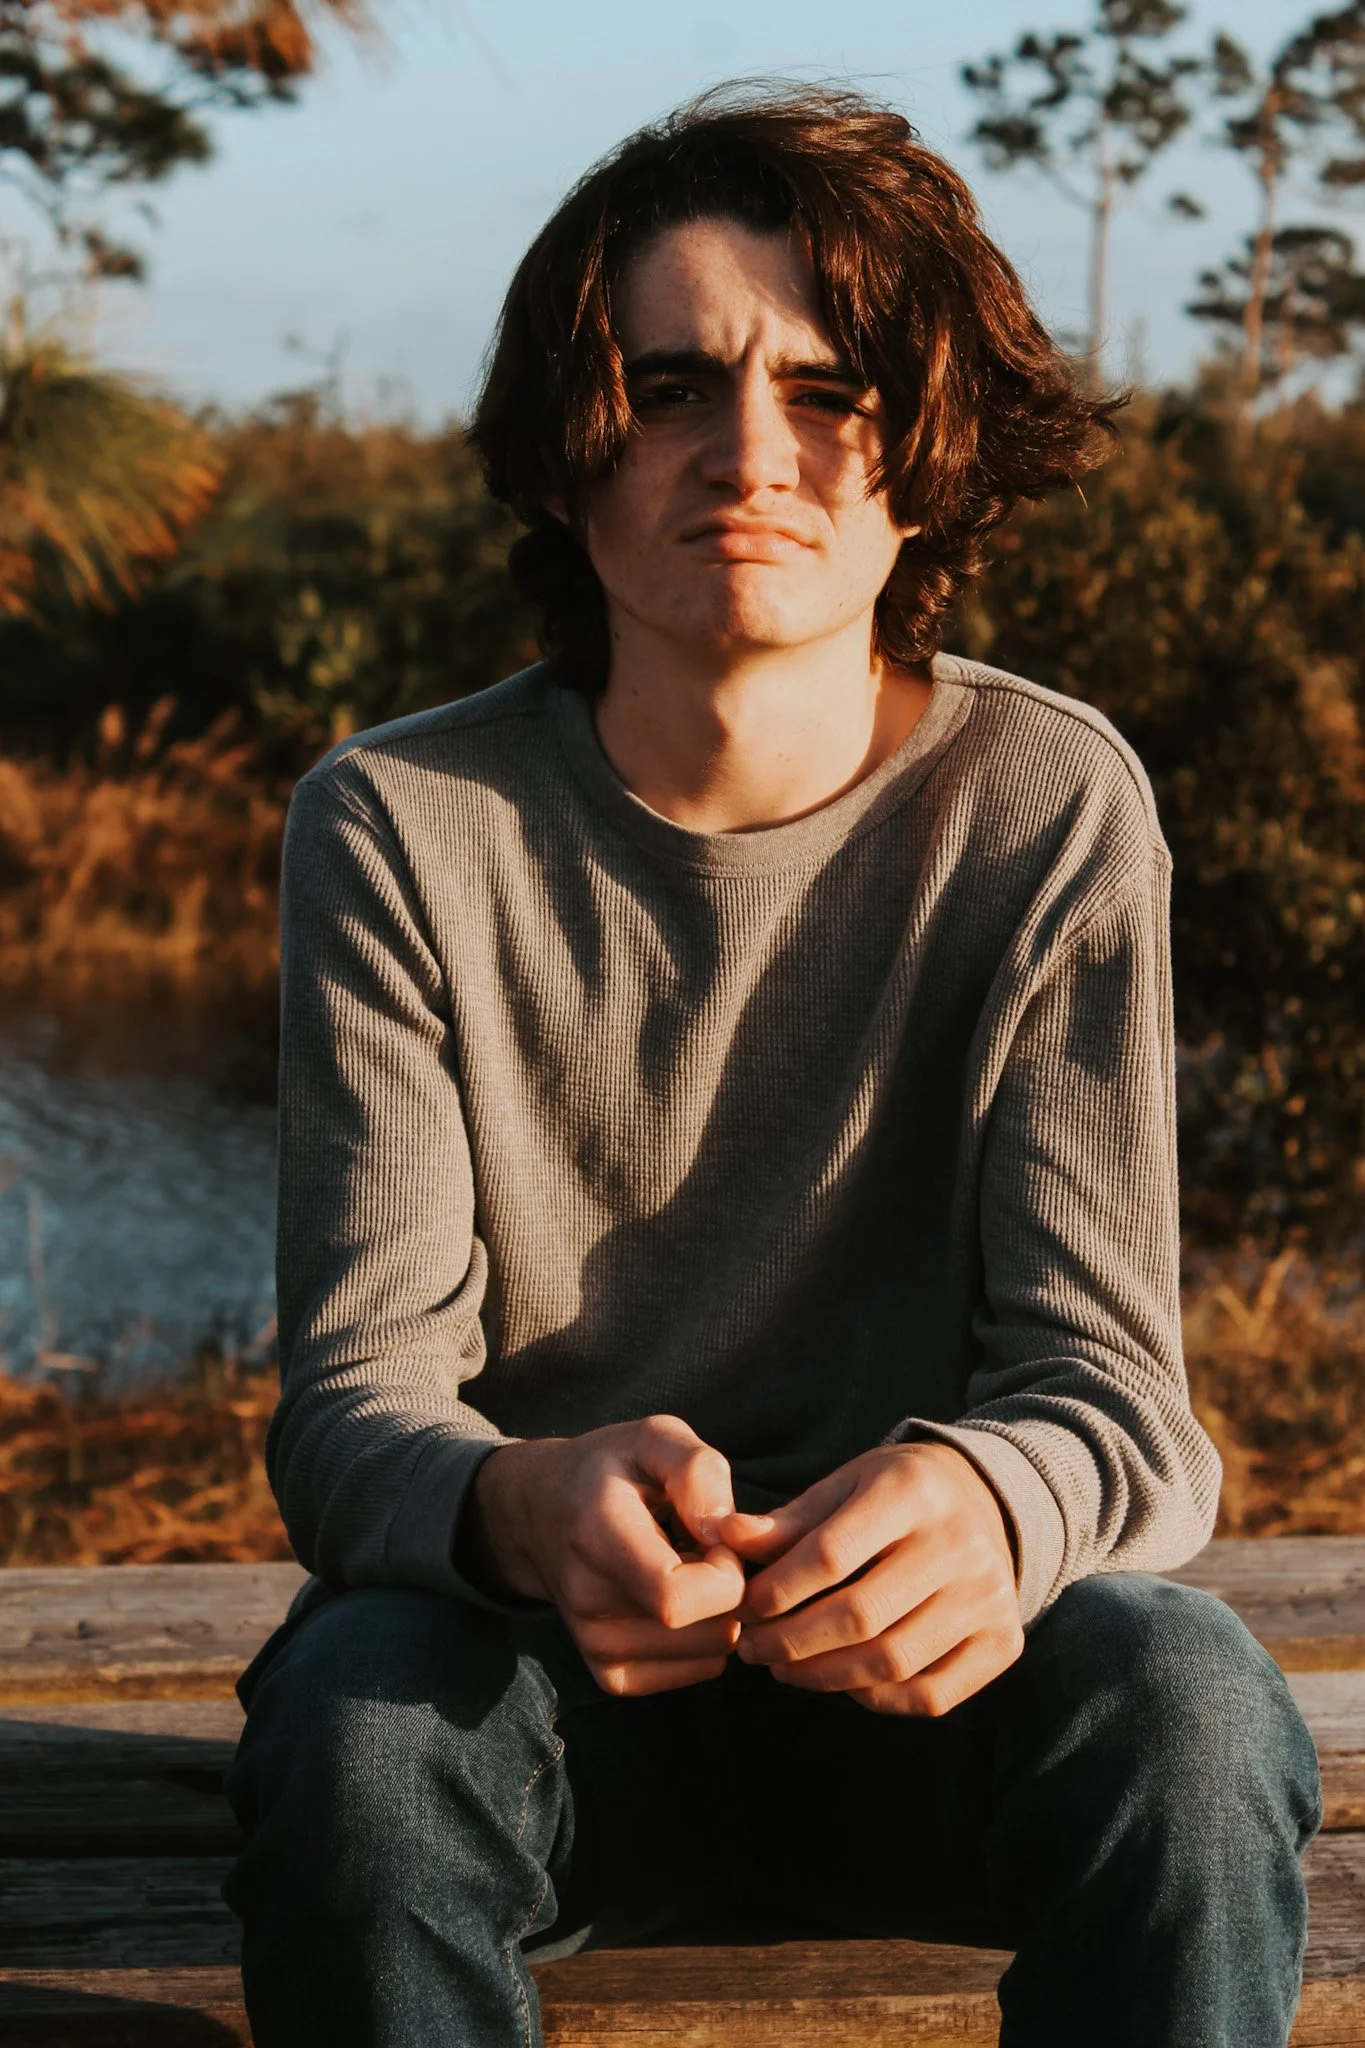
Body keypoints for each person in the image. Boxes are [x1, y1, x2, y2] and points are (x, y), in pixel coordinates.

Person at [224, 83, 1320, 2048]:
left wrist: (992, 1499)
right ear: (571, 450)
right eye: (669, 385)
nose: (752, 451)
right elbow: (352, 1413)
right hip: (535, 1688)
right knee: (360, 1726)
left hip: (943, 1696)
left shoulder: (1047, 804)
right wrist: (519, 1503)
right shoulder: (397, 821)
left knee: (1188, 1695)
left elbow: (1120, 1411)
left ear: (931, 463)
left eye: (835, 392)